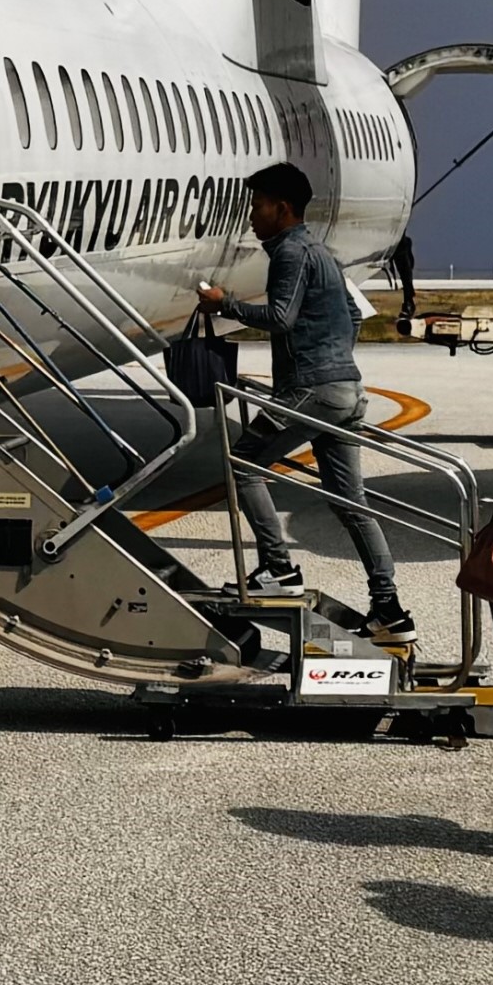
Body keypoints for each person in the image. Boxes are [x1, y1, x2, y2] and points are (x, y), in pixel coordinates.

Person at [201, 162, 406, 643]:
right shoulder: (322, 252)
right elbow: (354, 313)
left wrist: (222, 303)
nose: (252, 216)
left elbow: (279, 316)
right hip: (344, 389)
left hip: (311, 390)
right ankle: (389, 608)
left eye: (257, 206)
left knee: (243, 465)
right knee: (351, 504)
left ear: (282, 207)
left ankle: (278, 567)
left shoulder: (291, 252)